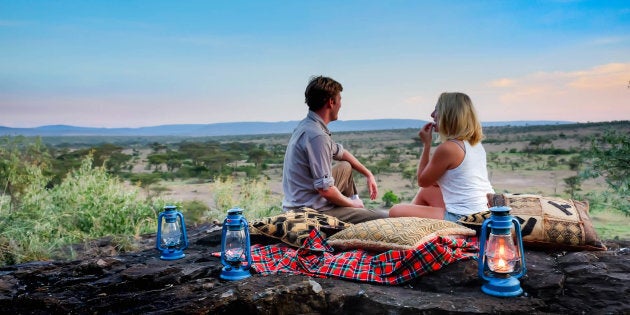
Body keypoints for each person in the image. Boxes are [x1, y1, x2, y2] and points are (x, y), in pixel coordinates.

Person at [281, 75, 387, 224]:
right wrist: (353, 205)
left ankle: (353, 209)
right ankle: (355, 212)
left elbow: (341, 153)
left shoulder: (308, 126)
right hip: (309, 213)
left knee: (345, 166)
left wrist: (368, 174)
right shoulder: (317, 136)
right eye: (340, 100)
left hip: (305, 200)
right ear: (331, 102)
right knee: (384, 217)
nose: (341, 105)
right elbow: (325, 190)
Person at [389, 92, 495, 222]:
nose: (432, 115)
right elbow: (432, 183)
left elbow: (422, 180)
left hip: (464, 217)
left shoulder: (448, 148)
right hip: (484, 211)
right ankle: (414, 225)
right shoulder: (475, 145)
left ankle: (412, 226)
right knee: (425, 191)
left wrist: (426, 145)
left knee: (395, 210)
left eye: (437, 110)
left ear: (448, 115)